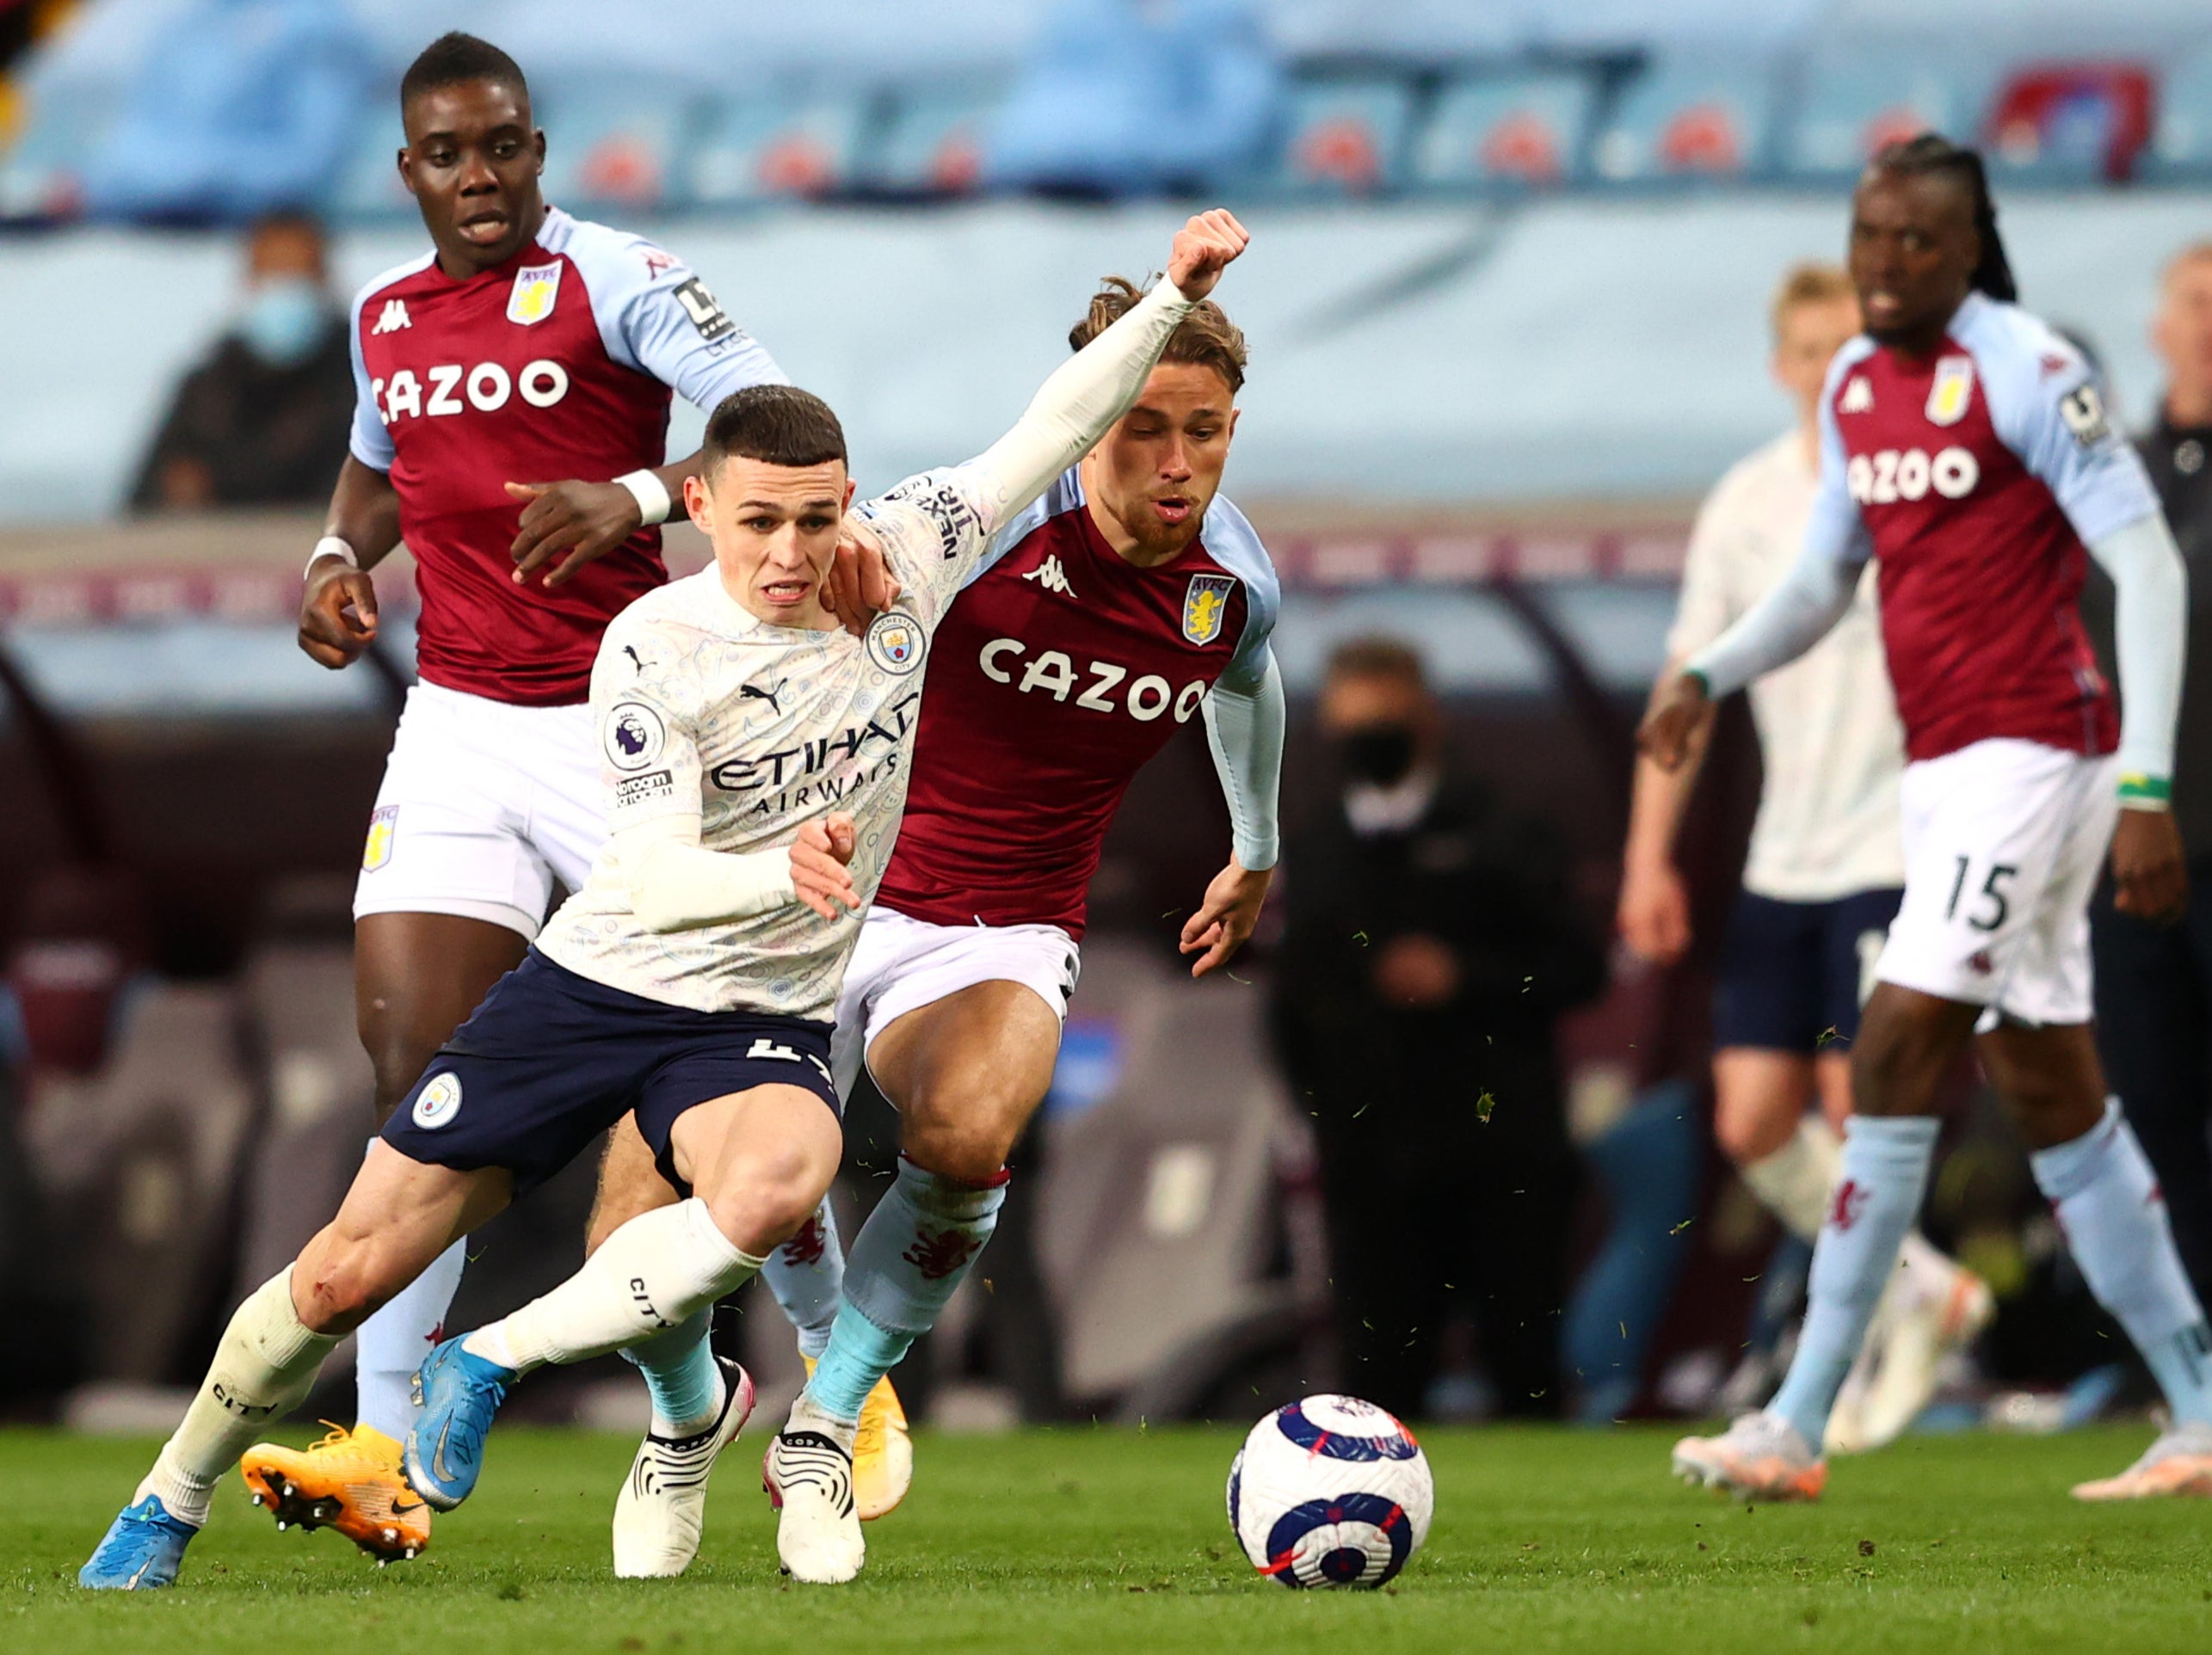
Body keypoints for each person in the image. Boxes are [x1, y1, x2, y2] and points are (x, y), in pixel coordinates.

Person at [75, 207, 1251, 1594]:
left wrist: (1170, 292)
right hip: (601, 984)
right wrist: (785, 869)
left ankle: (502, 1361)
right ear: (696, 508)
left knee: (776, 1184)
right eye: (758, 522)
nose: (793, 554)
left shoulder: (910, 560)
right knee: (342, 1273)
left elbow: (1053, 424)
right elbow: (644, 872)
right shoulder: (652, 643)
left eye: (818, 519)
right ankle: (165, 1500)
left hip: (746, 1012)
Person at [578, 263, 1285, 1578]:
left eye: (1206, 431)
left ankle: (831, 1413)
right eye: (1146, 423)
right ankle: (688, 1418)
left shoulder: (1229, 587)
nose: (1177, 460)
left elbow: (1248, 685)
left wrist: (1253, 848)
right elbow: (865, 542)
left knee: (966, 1132)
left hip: (1000, 926)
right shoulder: (989, 526)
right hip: (814, 899)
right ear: (1095, 413)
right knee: (635, 1218)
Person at [231, 32, 789, 1565]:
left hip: (622, 719)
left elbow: (775, 416)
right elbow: (377, 465)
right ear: (407, 169)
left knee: (707, 1073)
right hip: (462, 722)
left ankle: (790, 1385)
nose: (480, 177)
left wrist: (638, 494)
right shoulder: (383, 314)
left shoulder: (615, 276)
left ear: (539, 152)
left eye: (504, 149)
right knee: (410, 1055)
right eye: (448, 155)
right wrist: (339, 560)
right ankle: (386, 1442)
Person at [1648, 134, 2212, 1503]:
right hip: (1949, 764)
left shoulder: (2028, 368)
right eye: (1868, 237)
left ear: (1969, 248)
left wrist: (2143, 782)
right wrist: (1710, 671)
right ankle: (2200, 1413)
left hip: (2042, 752)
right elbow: (1819, 578)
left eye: (1914, 241)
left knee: (1896, 1040)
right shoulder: (1854, 382)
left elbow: (2142, 567)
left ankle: (1793, 1417)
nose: (1885, 263)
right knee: (2051, 1091)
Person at [1619, 262, 1988, 1449]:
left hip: (1898, 846)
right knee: (1751, 1123)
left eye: (1853, 349)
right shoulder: (1742, 504)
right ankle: (1921, 1290)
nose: (1831, 370)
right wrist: (1644, 859)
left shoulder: (1921, 486)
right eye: (1811, 349)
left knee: (1856, 1101)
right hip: (1784, 857)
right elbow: (1686, 690)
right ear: (1781, 365)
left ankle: (1838, 1371)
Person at [1269, 637, 1603, 1422]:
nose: (1369, 738)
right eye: (1353, 723)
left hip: (1503, 1146)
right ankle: (1366, 1526)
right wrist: (1323, 1117)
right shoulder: (1313, 847)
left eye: (1385, 719)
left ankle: (1548, 1540)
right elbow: (1289, 1005)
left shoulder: (1503, 829)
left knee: (1524, 1370)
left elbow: (1575, 966)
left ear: (1428, 717)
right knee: (1376, 1378)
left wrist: (1464, 977)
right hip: (1372, 1159)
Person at [2082, 241, 2212, 1308]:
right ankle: (2195, 1364)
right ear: (2158, 325)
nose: (2209, 324)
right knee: (2152, 1101)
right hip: (2125, 850)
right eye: (2196, 303)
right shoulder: (2107, 479)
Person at [127, 208, 356, 509]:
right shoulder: (207, 391)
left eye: (297, 274)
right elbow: (141, 505)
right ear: (249, 280)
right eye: (273, 273)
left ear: (324, 279)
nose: (284, 287)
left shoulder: (365, 388)